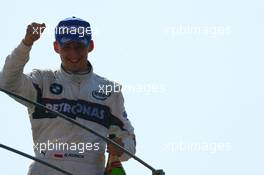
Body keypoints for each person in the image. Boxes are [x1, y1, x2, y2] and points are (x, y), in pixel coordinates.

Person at [0, 17, 136, 175]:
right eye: (66, 46)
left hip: (90, 170)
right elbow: (6, 82)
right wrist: (27, 43)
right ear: (56, 47)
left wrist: (122, 148)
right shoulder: (42, 80)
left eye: (79, 46)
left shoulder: (110, 90)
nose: (73, 53)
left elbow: (129, 138)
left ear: (90, 46)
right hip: (46, 168)